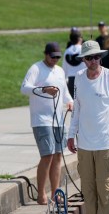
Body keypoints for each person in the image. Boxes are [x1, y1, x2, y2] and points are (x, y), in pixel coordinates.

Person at [67, 40, 109, 214]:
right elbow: (76, 109)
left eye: (96, 57)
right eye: (89, 58)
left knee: (107, 192)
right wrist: (70, 135)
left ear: (100, 58)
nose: (93, 61)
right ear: (83, 60)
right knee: (89, 192)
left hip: (106, 144)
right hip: (84, 146)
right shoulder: (78, 78)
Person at [21, 42, 73, 205]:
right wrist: (43, 89)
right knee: (47, 154)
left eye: (58, 57)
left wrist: (70, 102)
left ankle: (55, 192)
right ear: (46, 54)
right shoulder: (36, 68)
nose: (55, 60)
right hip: (41, 119)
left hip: (58, 118)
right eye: (53, 57)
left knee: (58, 155)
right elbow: (24, 88)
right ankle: (41, 193)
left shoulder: (60, 71)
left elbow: (64, 92)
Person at [62, 28, 86, 99]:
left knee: (74, 102)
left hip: (71, 81)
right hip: (83, 78)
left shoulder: (67, 51)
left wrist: (64, 79)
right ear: (79, 39)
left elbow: (64, 67)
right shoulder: (83, 49)